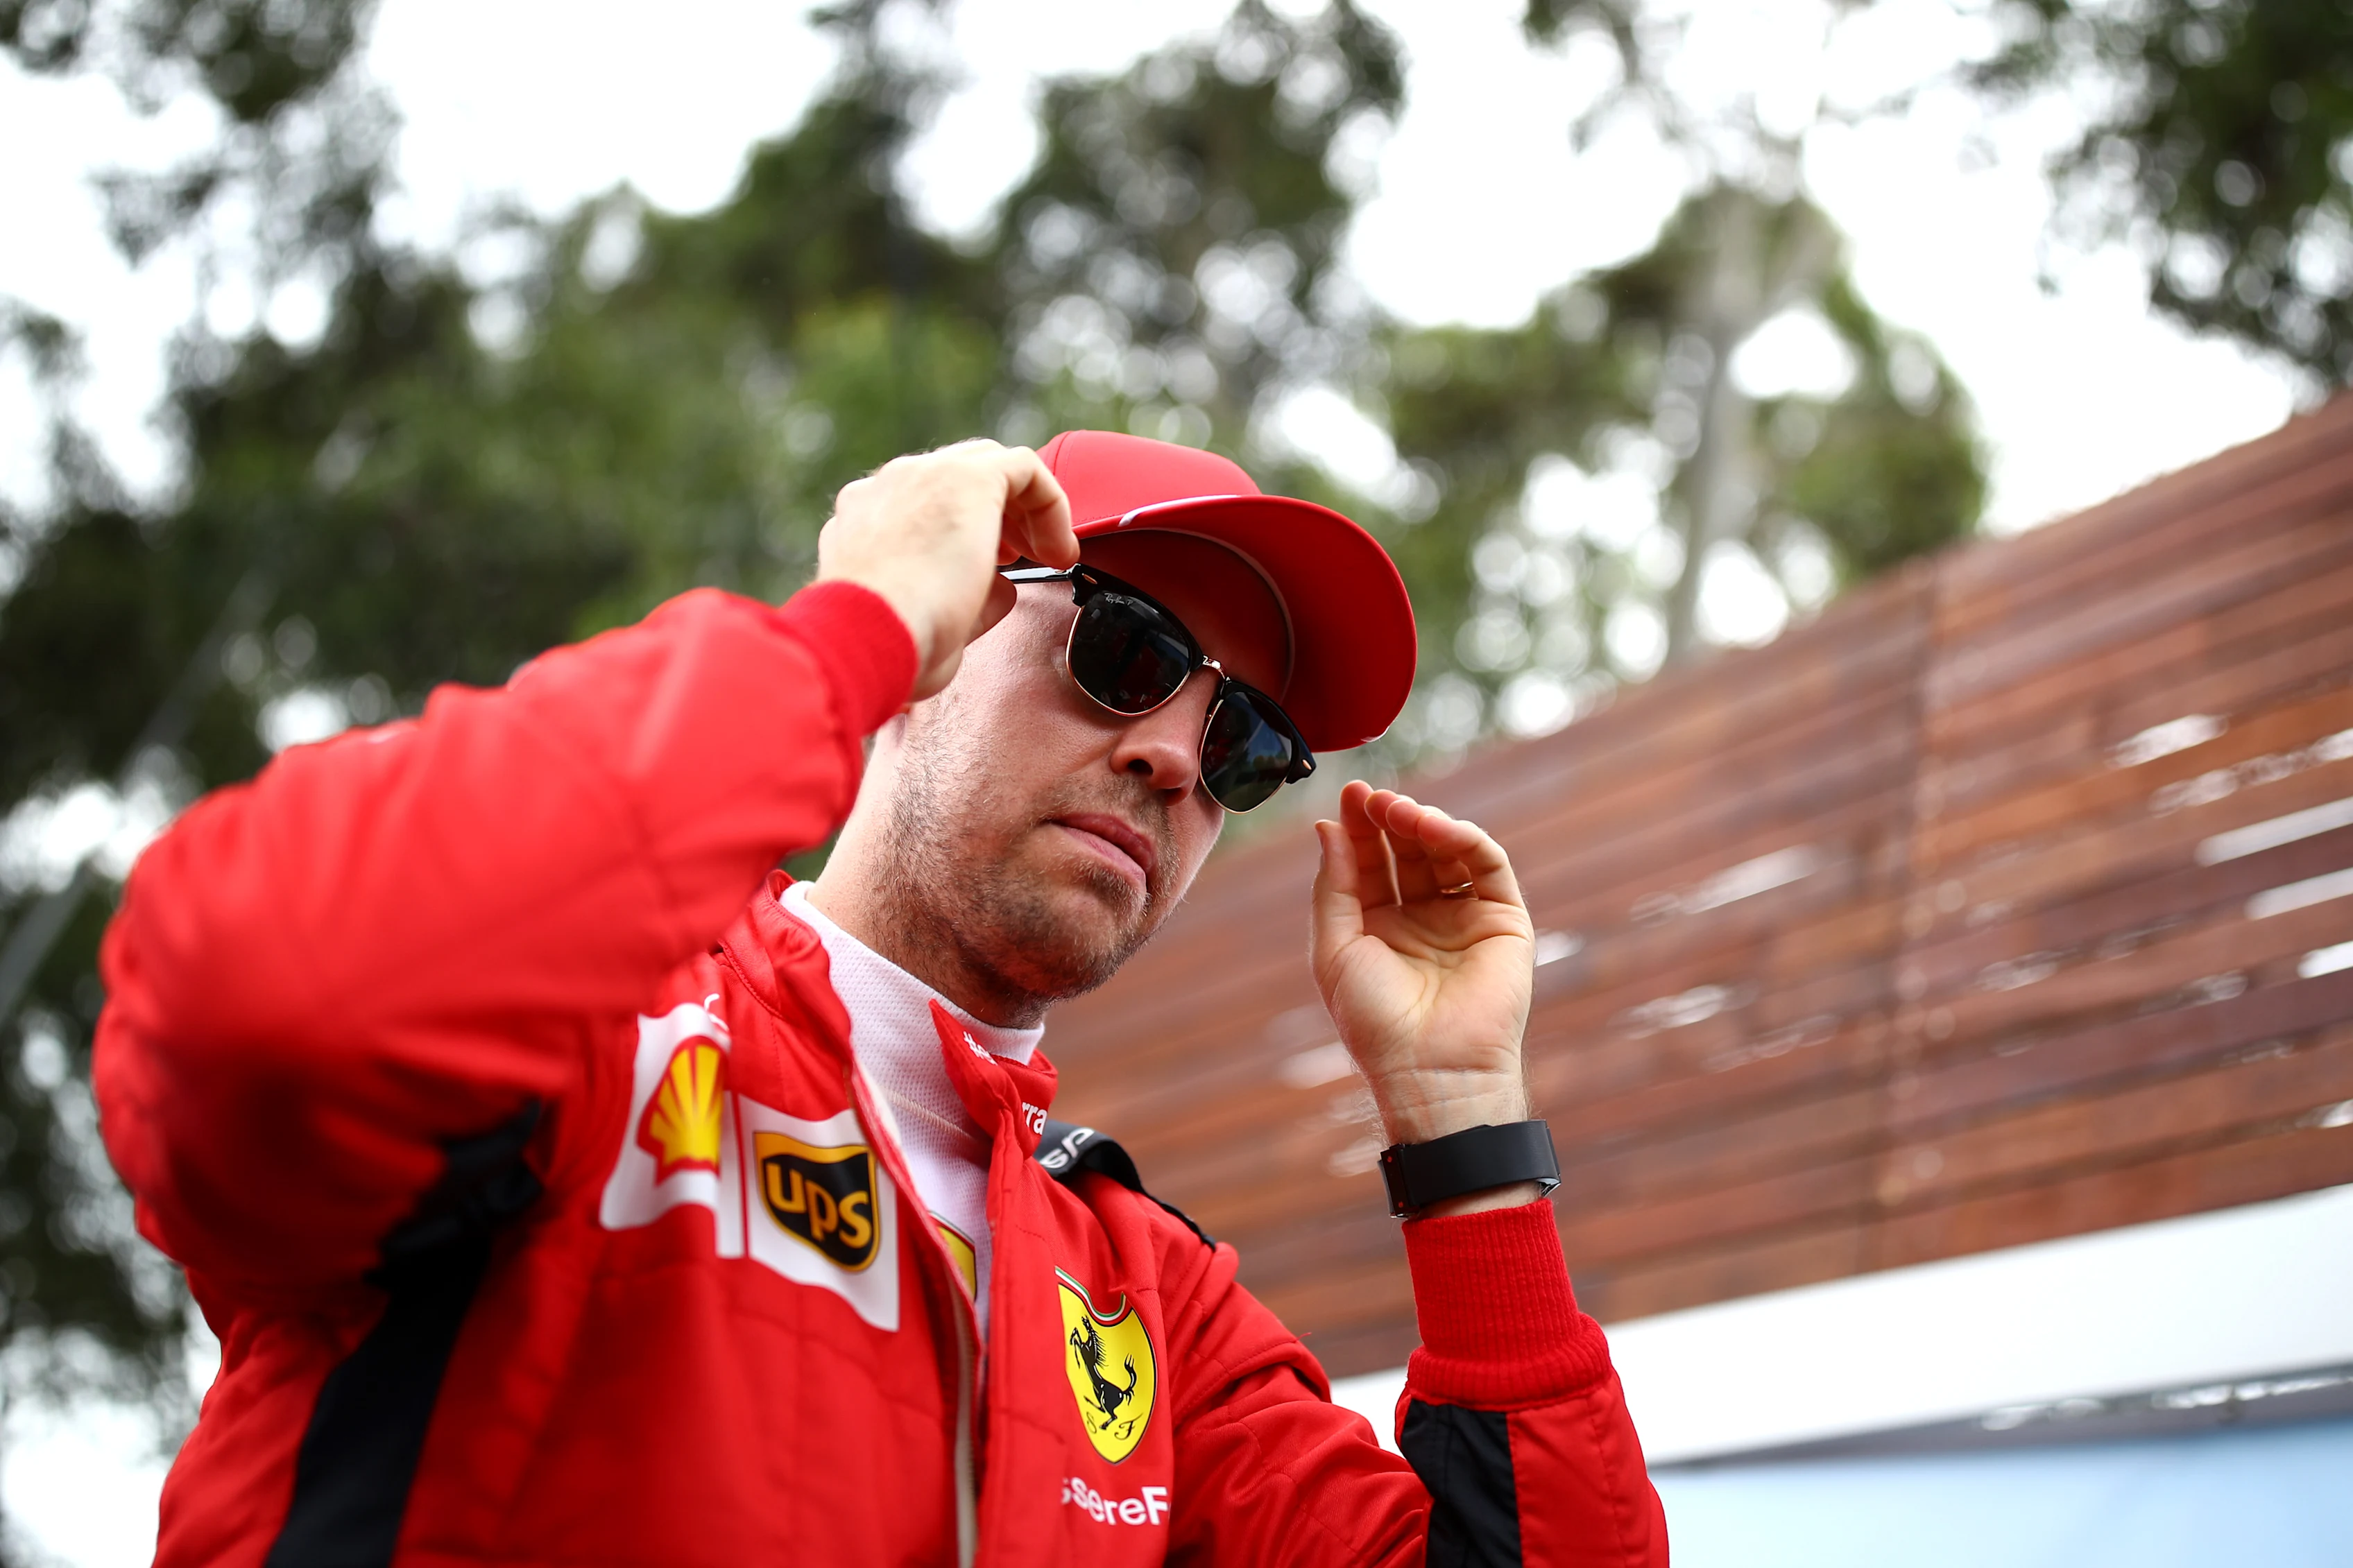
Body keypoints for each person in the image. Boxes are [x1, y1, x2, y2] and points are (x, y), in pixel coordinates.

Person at [95, 431, 1667, 1565]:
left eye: (1247, 739)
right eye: (1125, 649)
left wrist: (1461, 1129)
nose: (1178, 757)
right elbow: (260, 1009)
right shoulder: (607, 1024)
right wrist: (839, 637)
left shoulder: (1148, 1299)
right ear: (943, 637)